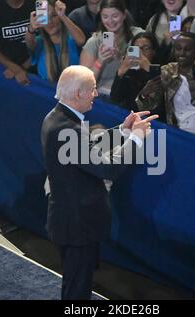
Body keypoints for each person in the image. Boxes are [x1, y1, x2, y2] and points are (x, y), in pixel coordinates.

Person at [41, 65, 157, 300]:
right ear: (78, 94)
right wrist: (135, 139)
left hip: (74, 221)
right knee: (77, 291)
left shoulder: (58, 118)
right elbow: (107, 168)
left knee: (77, 283)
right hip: (77, 225)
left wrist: (122, 131)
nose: (95, 94)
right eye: (92, 90)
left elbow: (87, 148)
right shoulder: (67, 128)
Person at [136, 32, 195, 140]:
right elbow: (145, 107)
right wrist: (144, 94)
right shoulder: (168, 71)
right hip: (178, 135)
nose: (182, 53)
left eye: (187, 49)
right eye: (178, 48)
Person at [80, 0, 144, 98]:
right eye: (105, 17)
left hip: (130, 93)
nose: (110, 21)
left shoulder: (138, 36)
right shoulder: (94, 41)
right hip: (102, 95)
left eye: (115, 16)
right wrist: (100, 61)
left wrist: (122, 58)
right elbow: (84, 83)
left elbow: (139, 70)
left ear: (124, 15)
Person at [25, 0, 85, 83]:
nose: (50, 22)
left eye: (54, 16)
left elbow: (81, 40)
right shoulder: (39, 42)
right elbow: (29, 42)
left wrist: (63, 16)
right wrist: (31, 28)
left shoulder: (71, 38)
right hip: (47, 92)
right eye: (45, 17)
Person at [0, 0, 34, 86]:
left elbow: (45, 41)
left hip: (35, 67)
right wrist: (15, 68)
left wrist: (22, 68)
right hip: (5, 69)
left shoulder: (38, 4)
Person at [110, 32, 159, 112]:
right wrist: (120, 73)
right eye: (136, 49)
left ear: (153, 51)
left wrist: (150, 69)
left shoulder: (160, 70)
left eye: (146, 48)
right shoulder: (128, 70)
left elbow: (158, 104)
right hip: (129, 114)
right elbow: (115, 99)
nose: (140, 53)